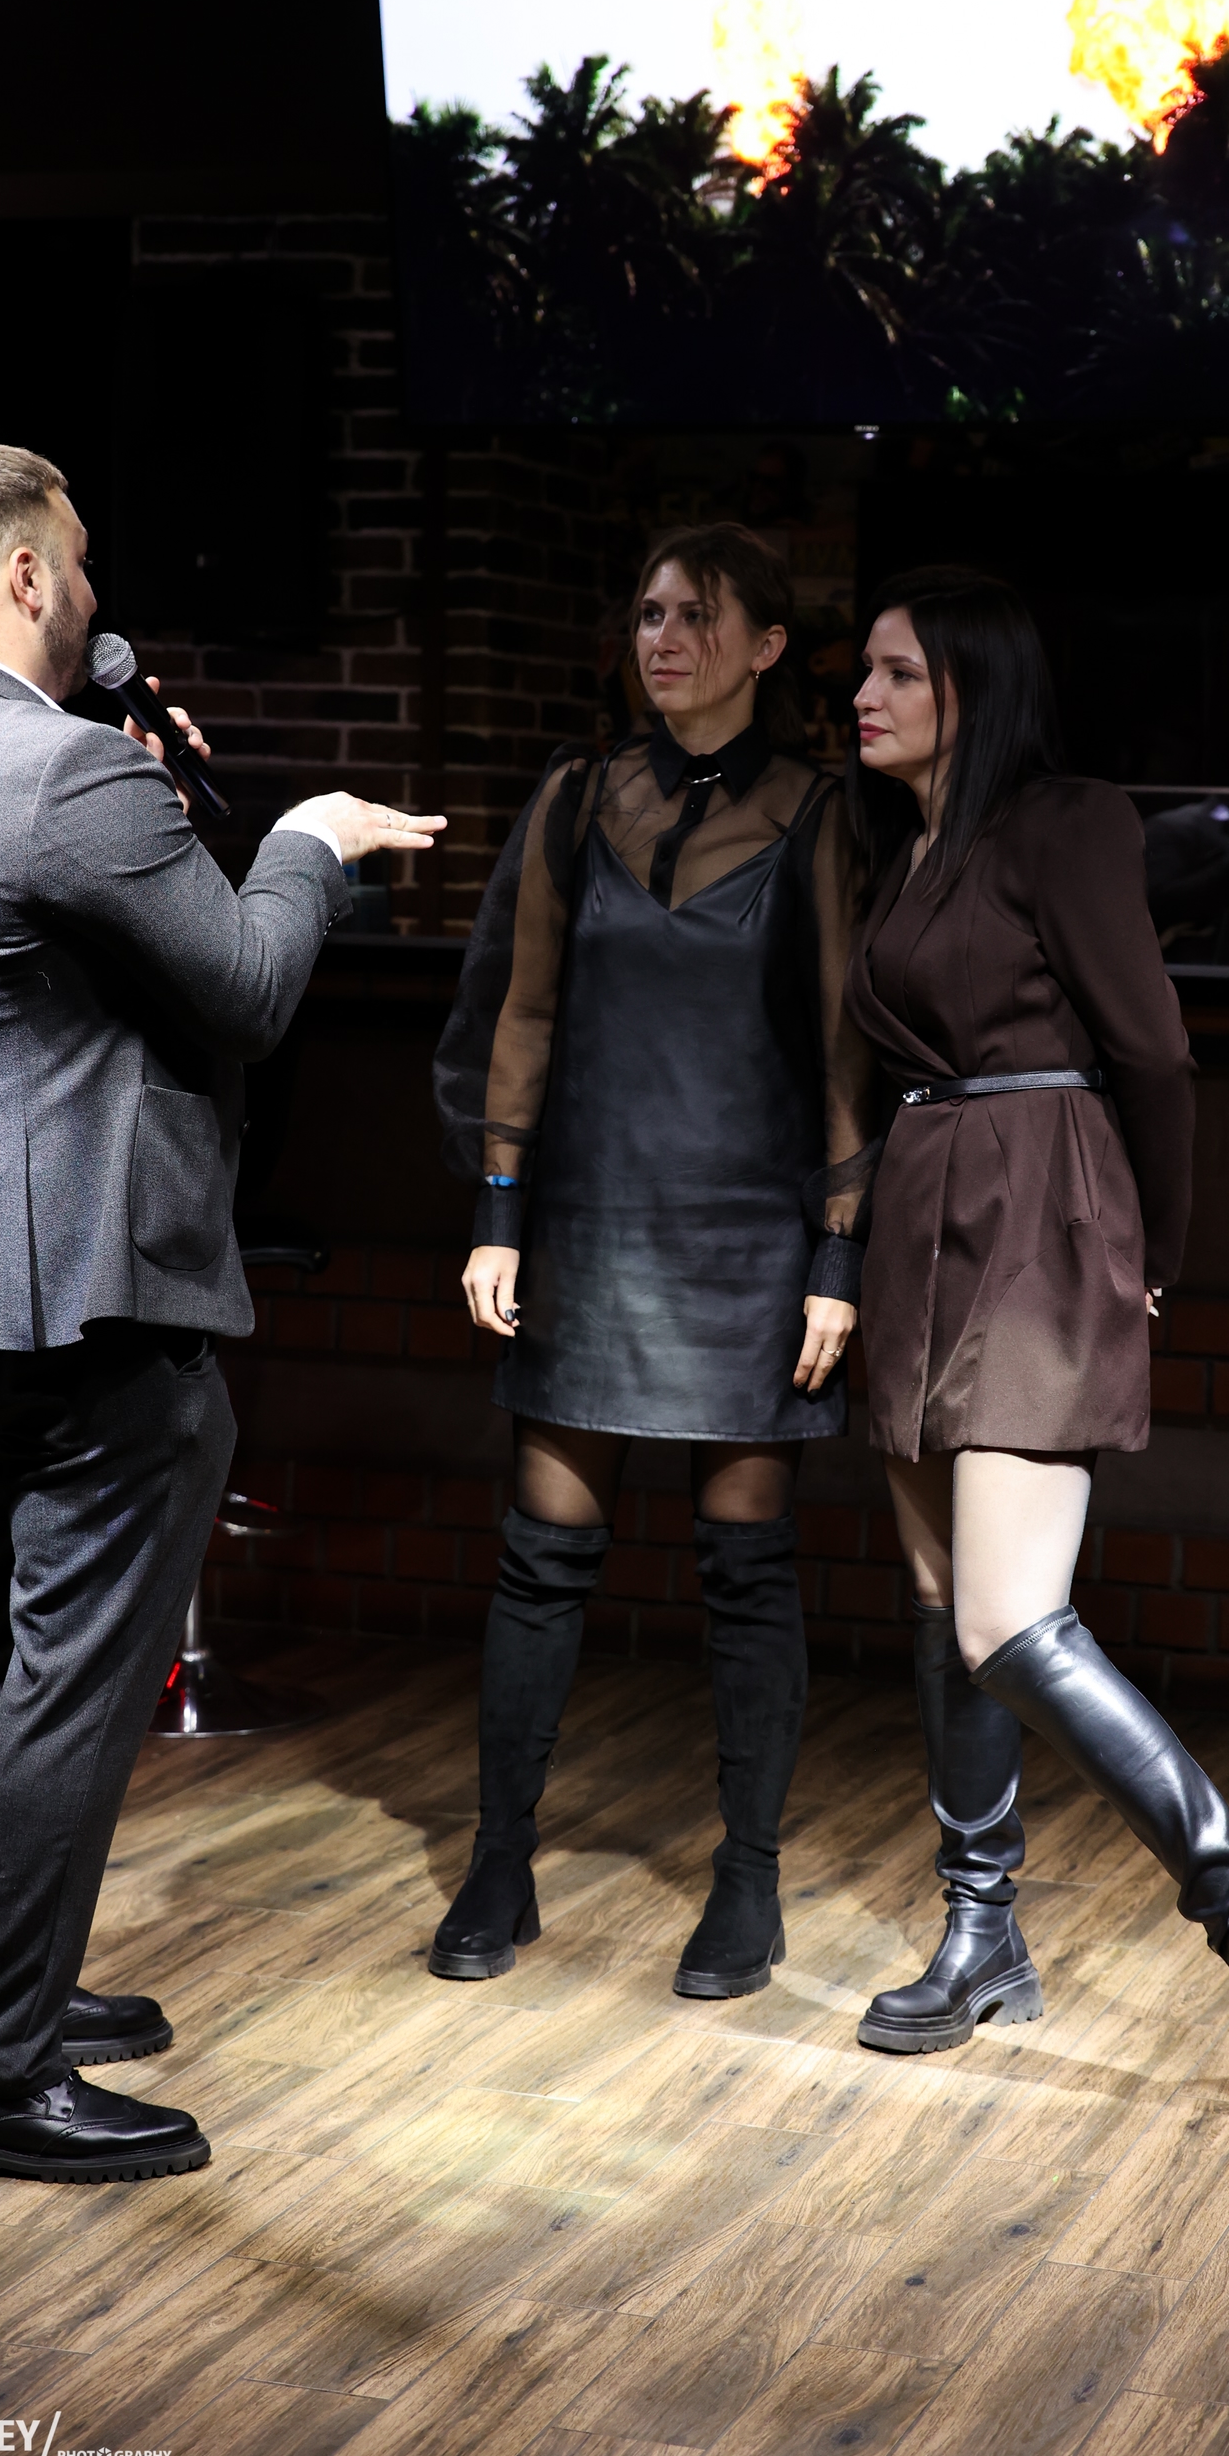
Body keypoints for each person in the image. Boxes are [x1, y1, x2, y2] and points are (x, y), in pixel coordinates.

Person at [0, 442, 441, 2182]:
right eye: (78, 565)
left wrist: (143, 805)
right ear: (24, 573)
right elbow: (245, 988)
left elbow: (36, 983)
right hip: (88, 1295)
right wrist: (304, 844)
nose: (95, 596)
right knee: (75, 1677)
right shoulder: (61, 770)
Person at [843, 567, 1229, 2136]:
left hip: (1038, 1213)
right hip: (925, 1218)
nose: (863, 696)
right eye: (864, 670)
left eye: (897, 672)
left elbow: (1155, 1052)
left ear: (974, 686)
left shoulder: (1063, 822)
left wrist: (1153, 1256)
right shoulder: (904, 843)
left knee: (1010, 1615)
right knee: (946, 1609)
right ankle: (983, 1935)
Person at [431, 522, 878, 1998]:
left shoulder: (820, 813)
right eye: (648, 614)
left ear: (767, 647)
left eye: (697, 616)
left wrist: (838, 1254)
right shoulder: (576, 797)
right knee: (540, 1559)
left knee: (745, 1573)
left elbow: (846, 1051)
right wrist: (499, 1214)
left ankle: (748, 1882)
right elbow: (519, 1014)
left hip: (751, 1236)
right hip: (592, 1223)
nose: (664, 639)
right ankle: (501, 1860)